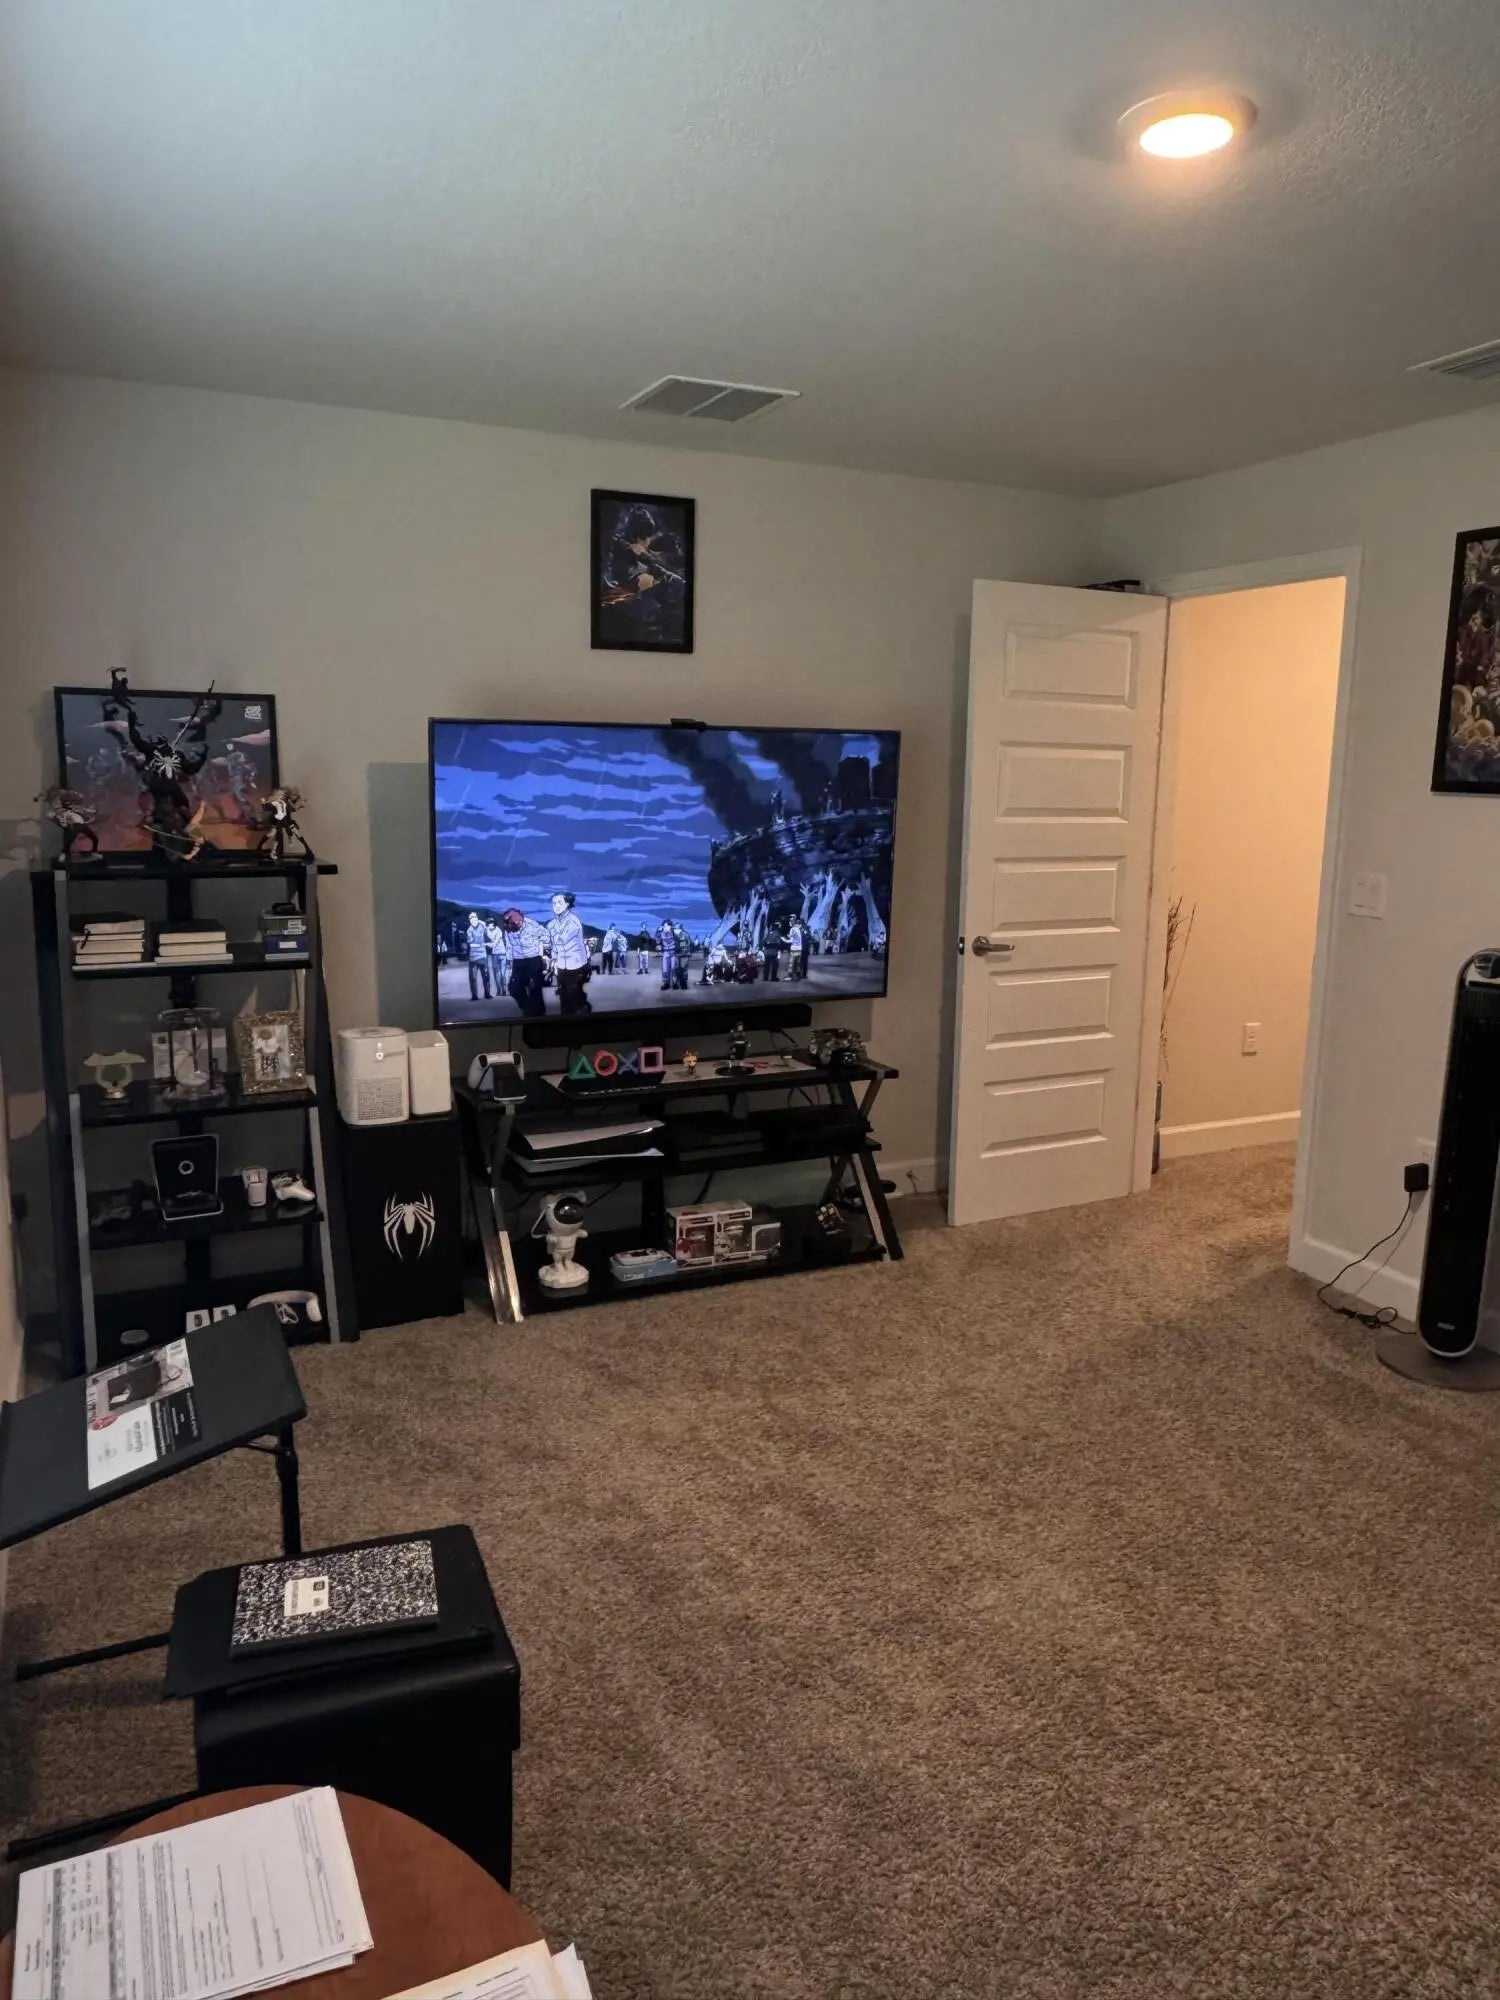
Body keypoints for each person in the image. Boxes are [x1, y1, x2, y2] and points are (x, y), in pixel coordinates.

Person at [548, 891, 592, 1014]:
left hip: (576, 964)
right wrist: (554, 960)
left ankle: (582, 1007)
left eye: (559, 902)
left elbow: (562, 939)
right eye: (554, 903)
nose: (556, 906)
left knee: (572, 993)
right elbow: (554, 946)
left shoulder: (573, 921)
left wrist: (552, 932)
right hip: (562, 965)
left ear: (567, 904)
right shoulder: (552, 924)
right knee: (564, 996)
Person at [501, 907, 548, 1017]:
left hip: (533, 958)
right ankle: (527, 1007)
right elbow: (509, 946)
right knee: (513, 988)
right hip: (518, 960)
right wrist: (510, 963)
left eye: (515, 928)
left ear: (520, 922)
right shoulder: (507, 929)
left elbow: (545, 935)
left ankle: (538, 1014)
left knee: (535, 988)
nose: (514, 932)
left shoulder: (531, 925)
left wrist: (542, 949)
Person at [465, 911, 491, 1001]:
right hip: (473, 958)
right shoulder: (469, 930)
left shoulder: (482, 926)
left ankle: (487, 993)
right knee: (473, 978)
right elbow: (471, 944)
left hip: (483, 956)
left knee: (486, 976)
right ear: (469, 921)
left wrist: (480, 921)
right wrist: (482, 945)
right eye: (471, 919)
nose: (474, 920)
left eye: (475, 918)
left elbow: (487, 928)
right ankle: (474, 995)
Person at [484, 915, 507, 995]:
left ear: (494, 924)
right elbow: (482, 924)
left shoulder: (498, 931)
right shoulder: (487, 929)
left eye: (492, 923)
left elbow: (494, 944)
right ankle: (499, 990)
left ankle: (504, 990)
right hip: (495, 954)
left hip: (502, 953)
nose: (490, 925)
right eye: (489, 924)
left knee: (502, 973)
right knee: (496, 973)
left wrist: (485, 944)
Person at [787, 915, 810, 981]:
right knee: (803, 962)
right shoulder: (805, 928)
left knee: (798, 962)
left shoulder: (796, 929)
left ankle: (798, 975)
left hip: (799, 947)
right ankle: (802, 975)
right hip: (804, 947)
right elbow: (809, 937)